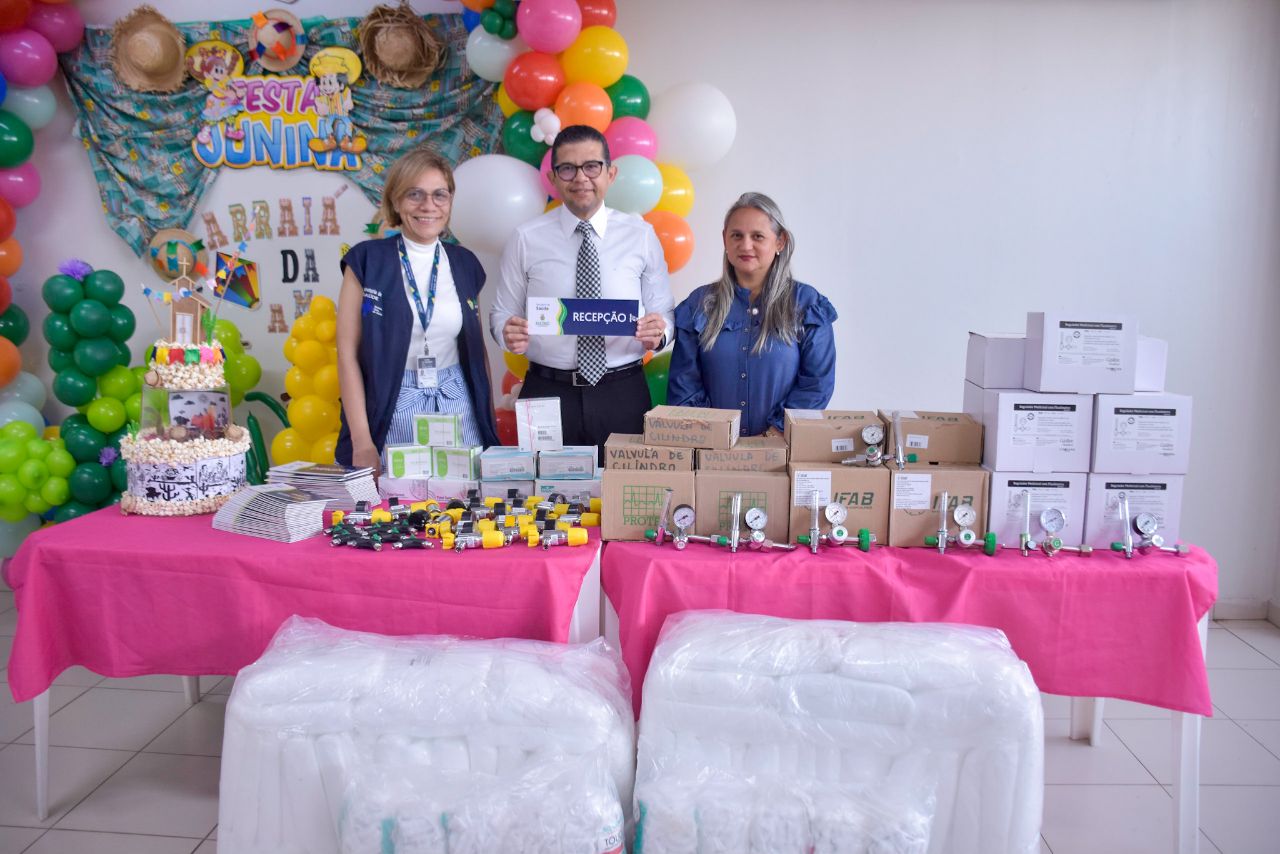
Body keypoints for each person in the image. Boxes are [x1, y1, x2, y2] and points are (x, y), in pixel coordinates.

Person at [490, 124, 673, 451]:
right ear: (553, 178)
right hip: (547, 391)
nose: (581, 178)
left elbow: (665, 310)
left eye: (592, 166)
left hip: (623, 392)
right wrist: (505, 330)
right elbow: (502, 310)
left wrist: (660, 332)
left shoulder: (640, 235)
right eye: (567, 168)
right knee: (542, 497)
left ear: (610, 173)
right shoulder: (526, 238)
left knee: (624, 497)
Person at [336, 146, 498, 476]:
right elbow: (347, 355)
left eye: (440, 195)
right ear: (395, 201)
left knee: (463, 505)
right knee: (399, 509)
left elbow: (476, 351)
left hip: (457, 400)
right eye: (415, 194)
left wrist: (486, 417)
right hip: (392, 401)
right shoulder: (367, 260)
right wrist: (363, 442)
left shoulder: (465, 263)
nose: (428, 206)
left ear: (450, 202)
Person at [667, 192, 836, 437]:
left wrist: (777, 433)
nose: (746, 246)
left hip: (782, 450)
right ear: (725, 239)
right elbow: (684, 383)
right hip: (712, 452)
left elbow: (816, 384)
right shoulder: (699, 304)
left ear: (780, 241)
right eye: (737, 235)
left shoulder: (807, 304)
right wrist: (712, 433)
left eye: (758, 236)